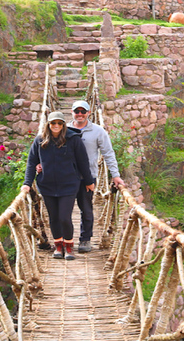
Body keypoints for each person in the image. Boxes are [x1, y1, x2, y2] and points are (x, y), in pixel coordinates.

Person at [22, 111, 94, 260]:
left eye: (59, 123)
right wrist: (27, 184)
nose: (56, 126)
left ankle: (69, 247)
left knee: (64, 217)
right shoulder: (40, 140)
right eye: (53, 123)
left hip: (68, 185)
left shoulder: (73, 140)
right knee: (54, 217)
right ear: (48, 124)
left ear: (63, 125)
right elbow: (31, 163)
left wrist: (88, 181)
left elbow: (83, 162)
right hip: (47, 185)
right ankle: (58, 246)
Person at [68, 100, 125, 253]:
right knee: (63, 210)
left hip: (87, 177)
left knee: (86, 208)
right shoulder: (63, 129)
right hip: (66, 177)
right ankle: (65, 241)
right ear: (72, 112)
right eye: (77, 111)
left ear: (89, 113)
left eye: (83, 111)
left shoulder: (98, 131)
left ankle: (85, 239)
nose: (80, 114)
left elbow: (108, 153)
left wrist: (116, 175)